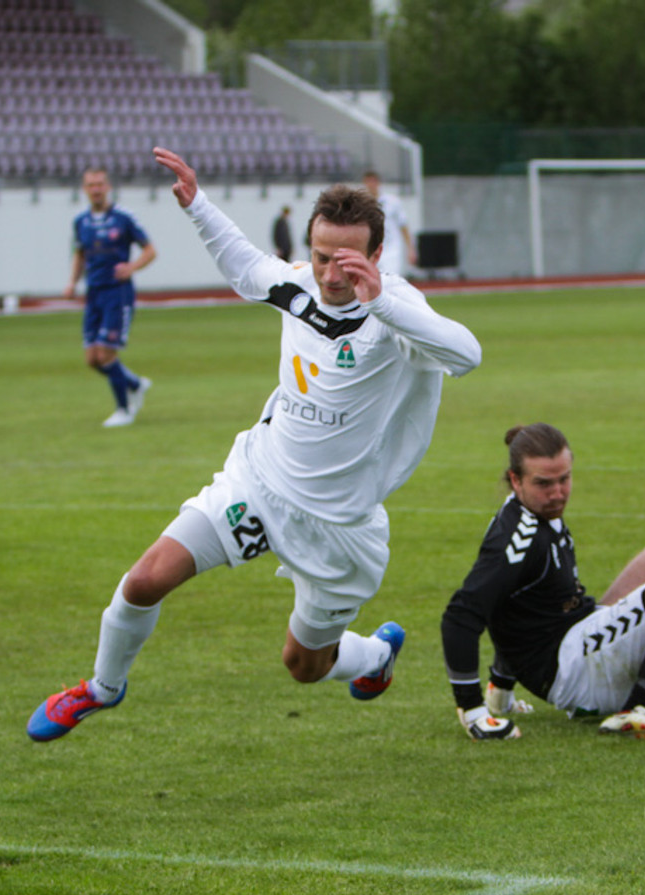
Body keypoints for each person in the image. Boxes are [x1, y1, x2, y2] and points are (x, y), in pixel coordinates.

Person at [26, 147, 481, 743]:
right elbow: (245, 264)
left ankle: (374, 656)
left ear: (375, 255)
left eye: (347, 261)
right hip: (259, 483)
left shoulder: (395, 311)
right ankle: (101, 688)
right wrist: (197, 204)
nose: (331, 275)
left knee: (303, 665)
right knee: (144, 580)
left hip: (338, 528)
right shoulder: (298, 285)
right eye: (321, 256)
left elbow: (466, 355)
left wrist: (381, 301)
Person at [441, 423, 645, 742]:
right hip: (574, 673)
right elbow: (461, 615)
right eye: (543, 483)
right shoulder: (517, 538)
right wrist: (474, 712)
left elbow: (520, 603)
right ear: (516, 480)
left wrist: (501, 686)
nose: (557, 493)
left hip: (581, 633)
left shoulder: (536, 511)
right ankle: (637, 709)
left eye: (564, 479)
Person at [64, 166, 157, 427]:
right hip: (93, 293)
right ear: (84, 189)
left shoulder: (123, 218)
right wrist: (72, 282)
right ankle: (135, 384)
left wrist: (132, 267)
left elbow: (150, 250)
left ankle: (124, 410)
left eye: (100, 184)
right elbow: (80, 254)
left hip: (118, 293)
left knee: (106, 354)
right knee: (92, 359)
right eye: (90, 185)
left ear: (108, 187)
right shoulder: (81, 222)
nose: (95, 189)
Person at [362, 170, 418, 276]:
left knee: (391, 278)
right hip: (372, 249)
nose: (371, 185)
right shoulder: (362, 204)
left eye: (373, 181)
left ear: (378, 183)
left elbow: (403, 225)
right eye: (368, 182)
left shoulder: (392, 202)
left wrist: (411, 249)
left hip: (392, 249)